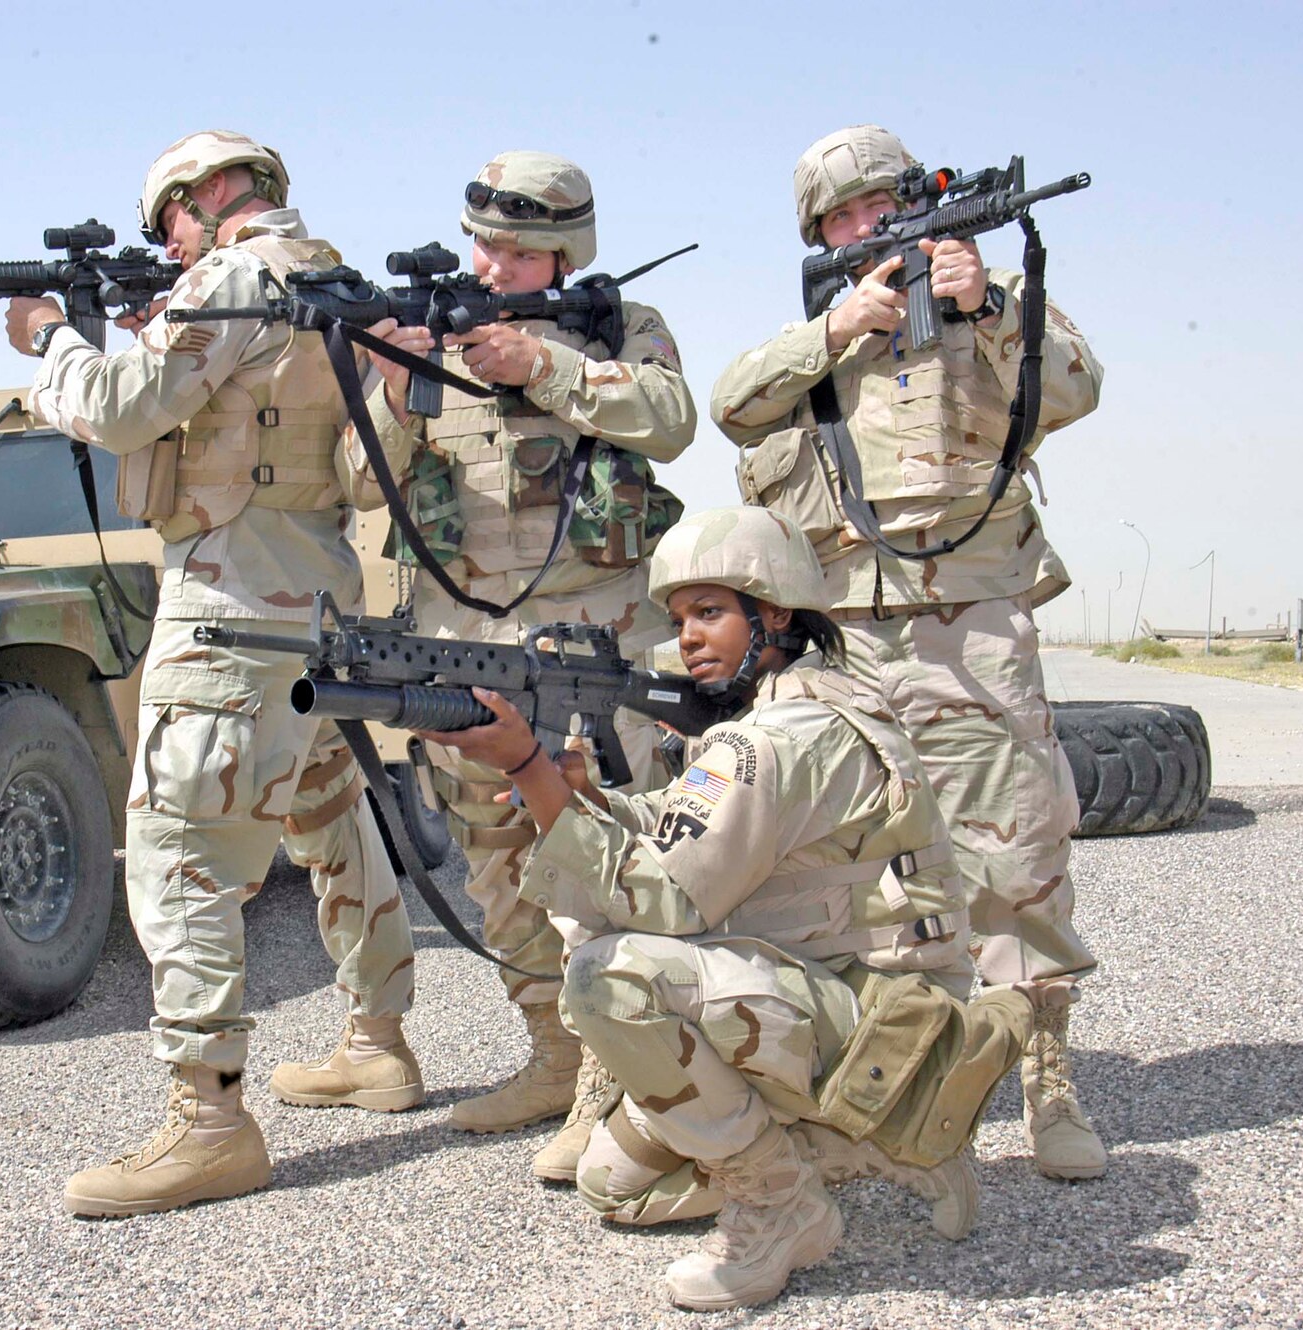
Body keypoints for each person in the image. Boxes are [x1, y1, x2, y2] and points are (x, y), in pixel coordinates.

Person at [415, 507, 1030, 1311]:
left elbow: (664, 898)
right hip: (848, 1005)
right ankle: (873, 1147)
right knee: (613, 1185)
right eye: (679, 620)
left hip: (879, 1023)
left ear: (775, 614)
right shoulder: (797, 711)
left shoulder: (778, 739)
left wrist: (529, 769)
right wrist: (583, 797)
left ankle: (782, 1202)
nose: (689, 639)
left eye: (710, 613)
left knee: (611, 979)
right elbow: (677, 824)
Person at [2, 130, 420, 1217]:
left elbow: (125, 407)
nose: (167, 242)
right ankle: (377, 1042)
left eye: (165, 222)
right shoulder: (326, 277)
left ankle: (210, 1122)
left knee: (180, 849)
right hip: (318, 598)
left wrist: (49, 342)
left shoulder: (232, 278)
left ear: (203, 196)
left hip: (233, 609)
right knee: (330, 817)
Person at [710, 125, 1108, 1180]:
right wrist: (834, 331)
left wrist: (982, 306)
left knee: (1014, 853)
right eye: (837, 220)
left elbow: (1074, 389)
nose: (861, 229)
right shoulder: (822, 340)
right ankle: (888, 1073)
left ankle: (1042, 1076)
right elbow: (729, 407)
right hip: (840, 631)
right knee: (855, 866)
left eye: (875, 207)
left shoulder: (989, 313)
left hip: (967, 623)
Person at [334, 151, 695, 1151]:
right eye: (479, 242)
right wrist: (393, 382)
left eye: (514, 248)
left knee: (608, 852)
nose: (487, 262)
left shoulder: (620, 327)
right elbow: (365, 487)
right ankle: (555, 1058)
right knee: (495, 863)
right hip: (464, 651)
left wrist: (539, 365)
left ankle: (636, 1080)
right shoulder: (426, 340)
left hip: (594, 642)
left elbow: (671, 421)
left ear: (562, 252)